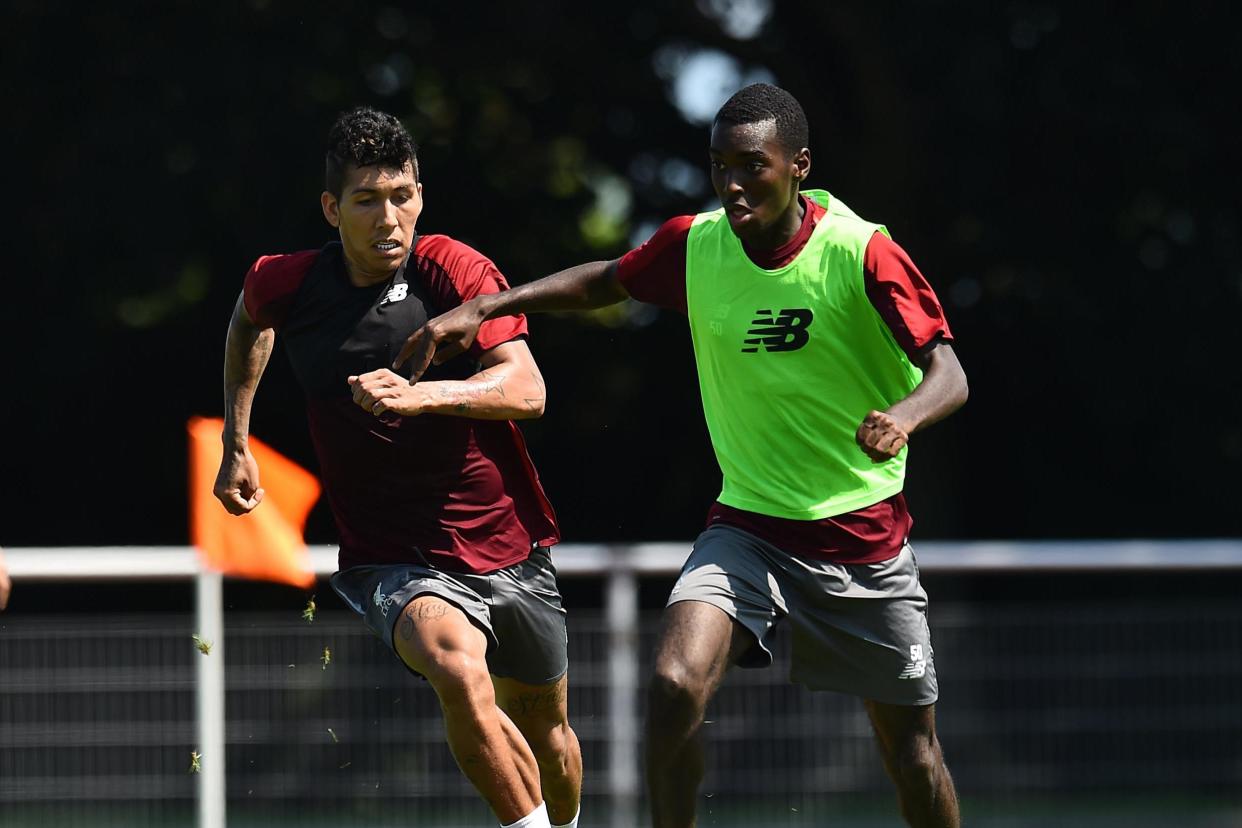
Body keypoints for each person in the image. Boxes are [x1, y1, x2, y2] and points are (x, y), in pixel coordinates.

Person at [394, 83, 967, 827]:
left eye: (751, 166)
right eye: (718, 166)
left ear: (799, 165)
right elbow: (608, 279)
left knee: (912, 758)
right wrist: (487, 307)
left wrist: (905, 416)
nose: (731, 185)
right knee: (671, 686)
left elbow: (950, 372)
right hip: (750, 527)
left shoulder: (863, 253)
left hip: (862, 536)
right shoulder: (698, 245)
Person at [213, 106, 581, 828]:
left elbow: (528, 390)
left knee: (551, 741)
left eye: (402, 196)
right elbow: (246, 321)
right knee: (454, 664)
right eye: (367, 200)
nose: (390, 219)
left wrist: (422, 397)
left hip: (506, 545)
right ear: (331, 208)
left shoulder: (451, 269)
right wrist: (237, 440)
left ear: (420, 196)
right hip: (392, 558)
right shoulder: (288, 284)